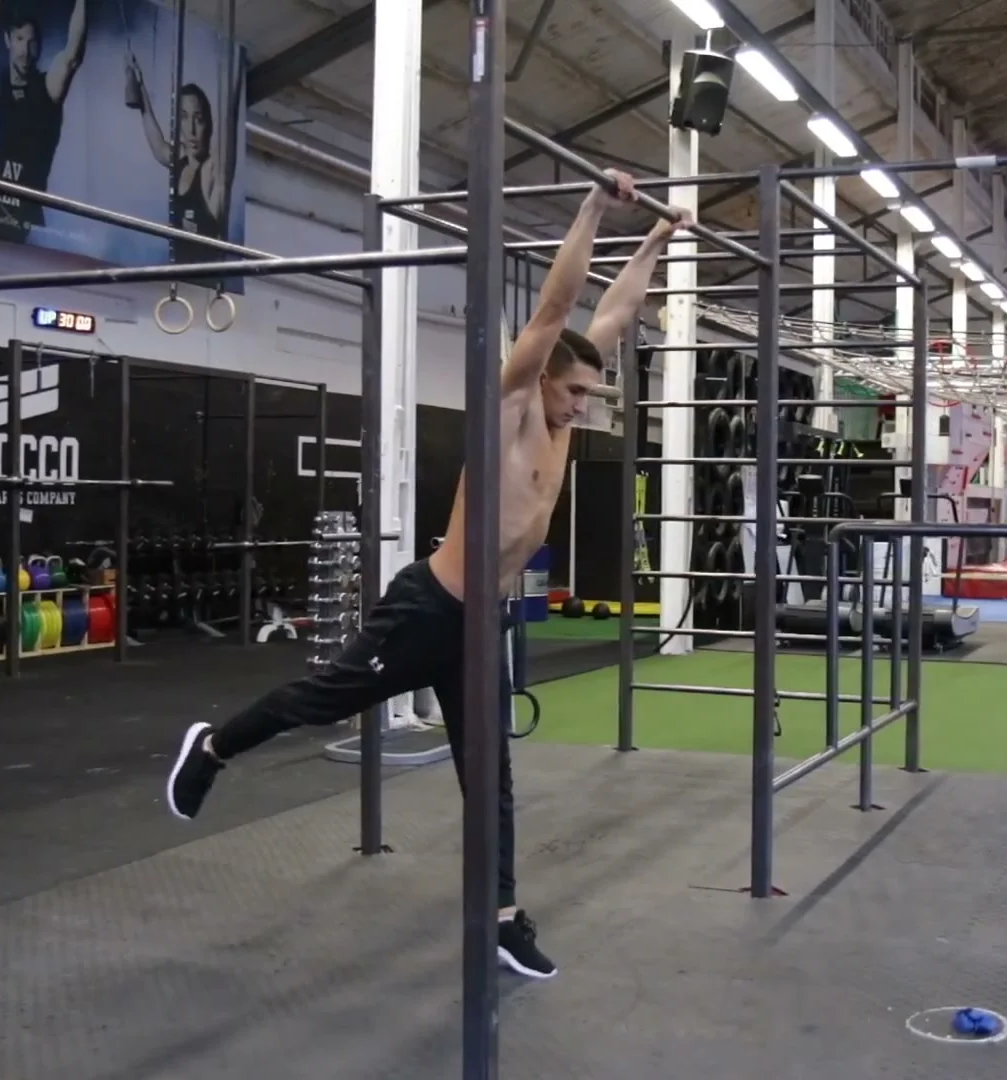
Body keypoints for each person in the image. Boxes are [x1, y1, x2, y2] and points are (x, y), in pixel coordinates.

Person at [165, 172, 695, 981]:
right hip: (429, 610)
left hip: (480, 625)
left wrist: (654, 242)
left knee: (492, 779)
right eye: (577, 391)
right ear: (541, 377)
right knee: (321, 703)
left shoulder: (562, 413)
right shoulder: (514, 410)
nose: (585, 406)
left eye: (591, 394)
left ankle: (501, 915)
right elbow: (556, 313)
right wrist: (593, 210)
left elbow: (609, 320)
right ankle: (214, 746)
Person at [0, 0, 90, 230]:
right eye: (19, 40)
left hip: (27, 213)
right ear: (8, 40)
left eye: (32, 43)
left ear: (40, 46)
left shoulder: (47, 87)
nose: (25, 51)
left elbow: (72, 55)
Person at [128, 56, 243, 262]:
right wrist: (140, 84)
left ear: (209, 126)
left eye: (198, 120)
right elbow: (157, 143)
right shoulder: (180, 161)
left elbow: (230, 120)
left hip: (204, 283)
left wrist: (235, 75)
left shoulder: (212, 174)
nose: (190, 130)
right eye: (183, 117)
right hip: (178, 274)